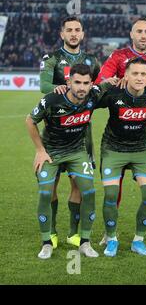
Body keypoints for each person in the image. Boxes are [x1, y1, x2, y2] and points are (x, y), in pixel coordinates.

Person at [95, 17, 146, 245]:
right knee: (114, 182)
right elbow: (102, 80)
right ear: (131, 34)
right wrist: (124, 79)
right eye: (138, 31)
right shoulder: (119, 56)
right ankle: (110, 231)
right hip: (122, 125)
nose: (142, 35)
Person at [26, 64, 111, 259]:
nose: (82, 87)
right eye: (77, 82)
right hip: (51, 152)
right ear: (68, 82)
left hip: (76, 152)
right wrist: (39, 150)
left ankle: (85, 242)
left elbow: (109, 84)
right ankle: (47, 241)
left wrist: (120, 80)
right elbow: (30, 120)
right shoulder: (52, 99)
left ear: (91, 84)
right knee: (45, 194)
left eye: (86, 83)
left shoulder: (93, 94)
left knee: (88, 192)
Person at [39, 16, 100, 249]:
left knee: (79, 185)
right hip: (55, 133)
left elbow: (99, 86)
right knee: (51, 186)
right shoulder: (51, 58)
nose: (74, 34)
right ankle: (52, 231)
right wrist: (60, 88)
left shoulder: (91, 60)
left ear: (83, 34)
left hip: (82, 134)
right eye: (69, 30)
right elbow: (43, 86)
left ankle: (74, 233)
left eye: (77, 30)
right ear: (61, 34)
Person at [96, 58, 146, 257]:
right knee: (111, 195)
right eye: (135, 73)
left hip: (140, 149)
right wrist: (105, 83)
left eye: (143, 74)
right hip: (113, 149)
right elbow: (86, 99)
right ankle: (111, 238)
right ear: (126, 75)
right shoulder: (113, 94)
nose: (139, 78)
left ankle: (138, 241)